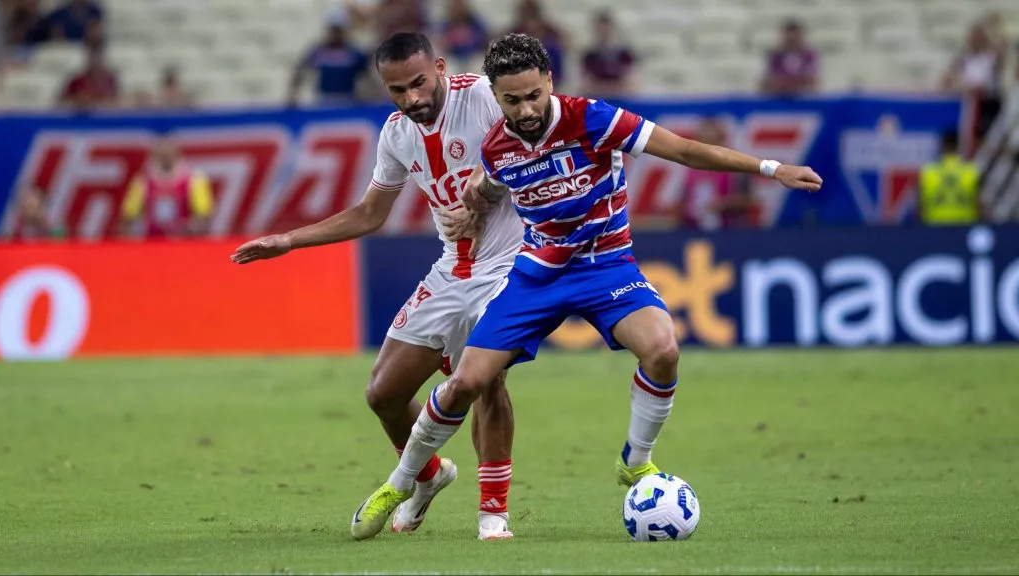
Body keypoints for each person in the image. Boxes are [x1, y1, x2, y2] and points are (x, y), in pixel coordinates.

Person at [350, 33, 823, 541]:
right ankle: (401, 482)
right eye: (512, 100)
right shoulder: (497, 145)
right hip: (537, 275)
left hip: (606, 268)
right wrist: (473, 203)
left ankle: (636, 462)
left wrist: (772, 169)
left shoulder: (593, 118)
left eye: (533, 95)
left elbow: (684, 151)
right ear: (498, 99)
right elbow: (488, 184)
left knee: (663, 349)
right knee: (468, 382)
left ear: (549, 82)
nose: (526, 109)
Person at [230, 32, 521, 540]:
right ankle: (429, 477)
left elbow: (534, 141)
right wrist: (289, 240)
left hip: (509, 265)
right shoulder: (397, 134)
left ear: (440, 67)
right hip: (452, 269)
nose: (412, 98)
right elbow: (370, 213)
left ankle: (492, 514)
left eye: (419, 83)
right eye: (397, 90)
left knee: (484, 381)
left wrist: (482, 186)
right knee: (383, 393)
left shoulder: (481, 97)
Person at [119, 138, 214, 239]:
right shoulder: (142, 181)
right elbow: (127, 217)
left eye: (169, 154)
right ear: (154, 156)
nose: (166, 158)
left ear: (177, 154)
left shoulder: (195, 180)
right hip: (151, 243)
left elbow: (204, 216)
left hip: (184, 243)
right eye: (162, 155)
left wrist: (191, 227)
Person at [918, 131, 982, 226]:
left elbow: (921, 206)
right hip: (965, 226)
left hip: (935, 227)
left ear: (942, 145)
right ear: (959, 146)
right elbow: (978, 203)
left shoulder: (928, 172)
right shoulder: (971, 171)